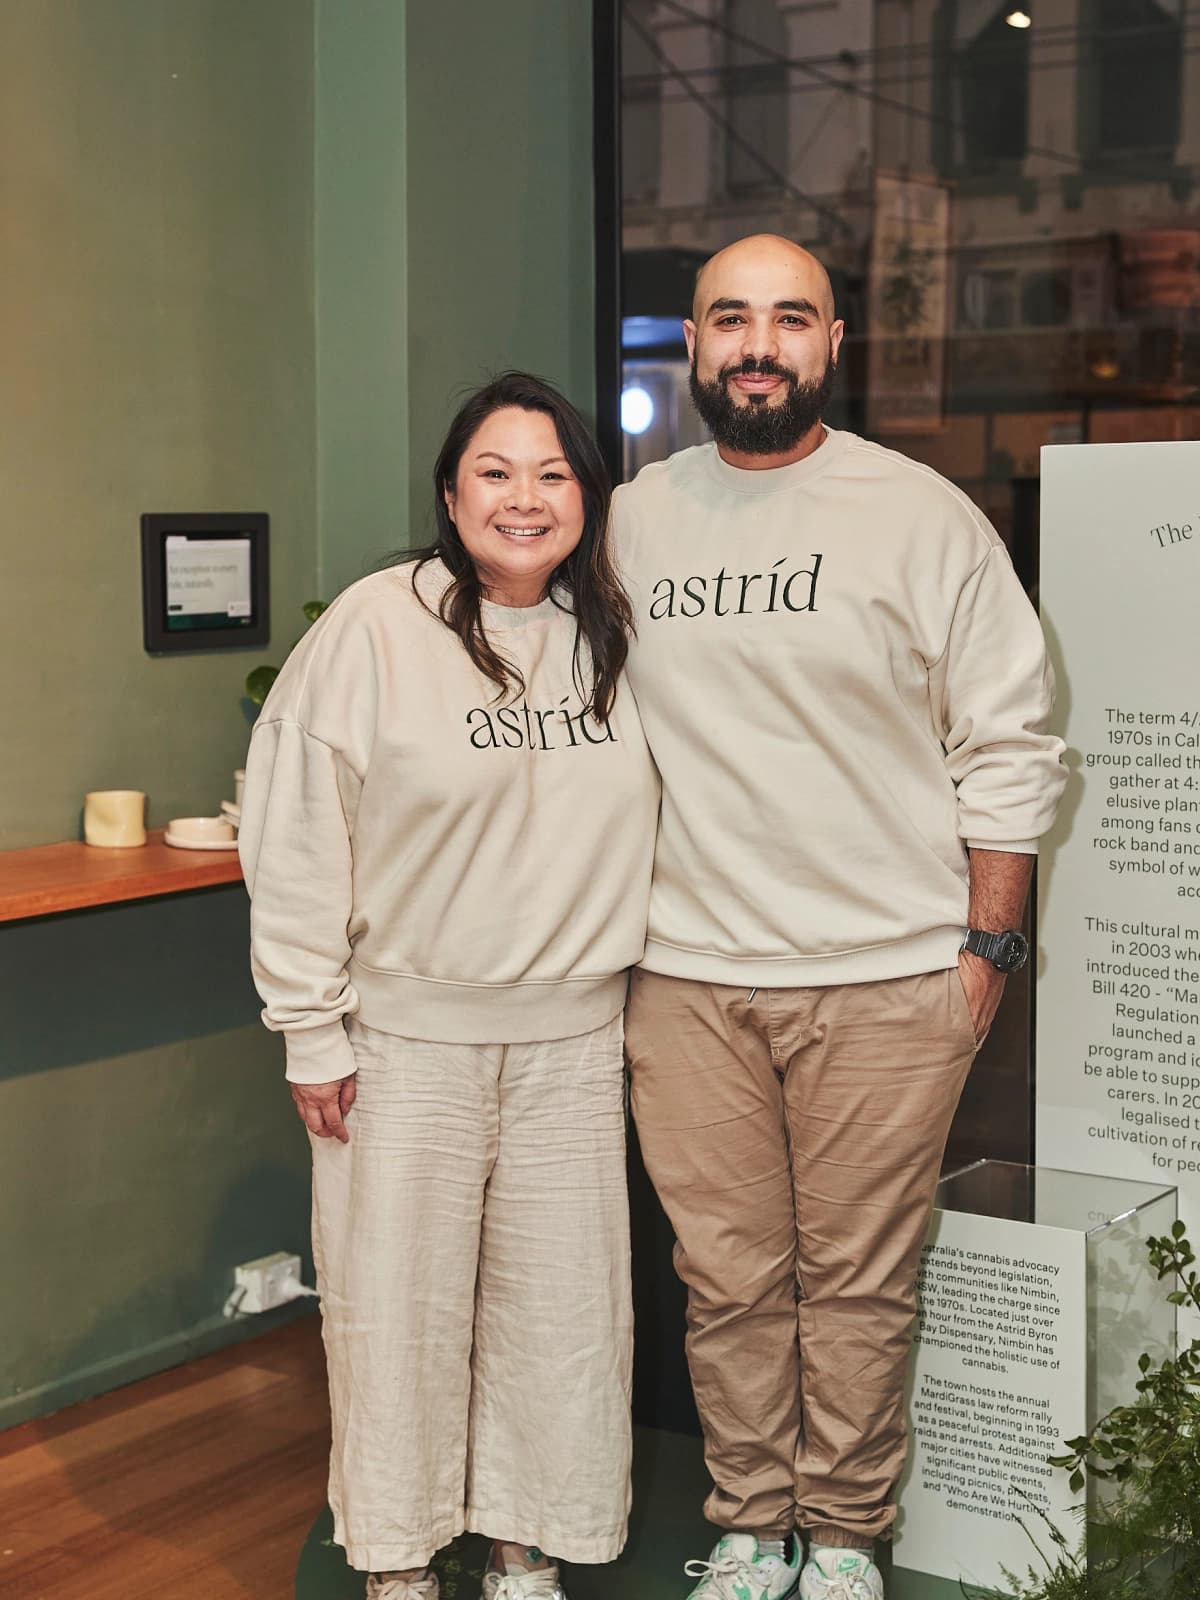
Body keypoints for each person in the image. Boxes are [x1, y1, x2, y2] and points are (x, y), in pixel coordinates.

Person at [612, 235, 1067, 1600]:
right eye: (731, 318)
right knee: (729, 1281)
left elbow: (1011, 744)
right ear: (693, 346)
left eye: (790, 318)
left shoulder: (920, 515)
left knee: (862, 1286)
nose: (760, 343)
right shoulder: (631, 519)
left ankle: (851, 1538)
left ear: (832, 345)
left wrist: (989, 947)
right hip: (685, 976)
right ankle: (754, 1526)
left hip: (887, 976)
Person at [239, 372, 659, 1600]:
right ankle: (400, 1560)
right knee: (397, 1317)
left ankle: (525, 1546)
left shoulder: (615, 634)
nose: (525, 499)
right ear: (448, 490)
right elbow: (301, 836)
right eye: (496, 471)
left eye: (554, 474)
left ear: (588, 495)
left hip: (575, 1041)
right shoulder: (376, 628)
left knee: (561, 1315)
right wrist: (310, 1030)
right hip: (404, 1041)